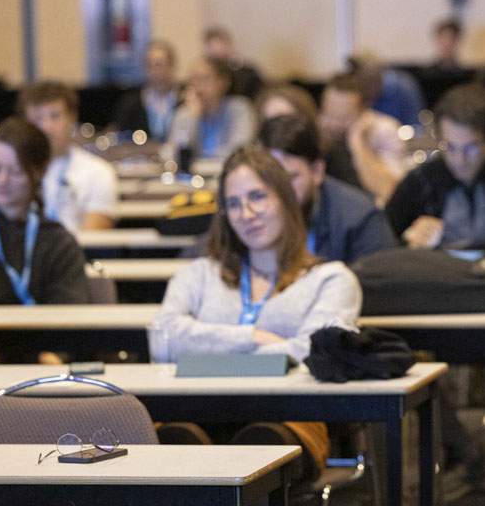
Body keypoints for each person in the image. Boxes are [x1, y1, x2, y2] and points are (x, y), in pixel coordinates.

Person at [150, 144, 361, 482]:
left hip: (288, 417)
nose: (246, 214)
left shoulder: (331, 279)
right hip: (198, 412)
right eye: (233, 204)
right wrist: (252, 338)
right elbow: (163, 339)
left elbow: (315, 350)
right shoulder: (199, 274)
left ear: (285, 199)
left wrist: (204, 353)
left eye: (258, 197)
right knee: (174, 441)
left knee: (263, 445)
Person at [0, 117, 89, 306]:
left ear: (40, 172)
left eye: (15, 172)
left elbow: (69, 316)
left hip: (39, 334)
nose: (2, 180)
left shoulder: (58, 243)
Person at [384, 84, 485, 251]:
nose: (459, 160)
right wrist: (408, 240)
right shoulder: (422, 179)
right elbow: (382, 239)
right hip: (438, 272)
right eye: (450, 147)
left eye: (471, 148)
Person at [258, 114, 398, 264]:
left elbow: (382, 283)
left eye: (291, 177)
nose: (280, 188)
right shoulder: (249, 212)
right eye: (271, 178)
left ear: (317, 171)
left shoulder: (360, 220)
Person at [20, 81, 118, 232]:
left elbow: (94, 240)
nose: (46, 127)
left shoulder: (98, 172)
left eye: (55, 116)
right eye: (37, 119)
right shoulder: (13, 172)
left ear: (72, 117)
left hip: (76, 253)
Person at [318, 73, 406, 203]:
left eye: (344, 118)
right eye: (331, 115)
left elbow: (388, 190)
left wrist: (357, 145)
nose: (336, 125)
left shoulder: (384, 129)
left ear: (363, 112)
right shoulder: (316, 128)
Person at [110, 39, 183, 143]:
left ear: (172, 66)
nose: (154, 71)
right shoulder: (130, 103)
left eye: (159, 65)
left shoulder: (185, 100)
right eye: (149, 65)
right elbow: (118, 137)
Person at [347, 51, 424, 127]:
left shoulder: (403, 87)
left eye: (372, 81)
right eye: (363, 82)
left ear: (380, 74)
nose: (368, 88)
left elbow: (415, 128)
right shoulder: (353, 94)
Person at [203, 25, 264, 101]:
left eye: (220, 47)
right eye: (212, 51)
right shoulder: (203, 77)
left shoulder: (248, 74)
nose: (216, 52)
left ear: (229, 46)